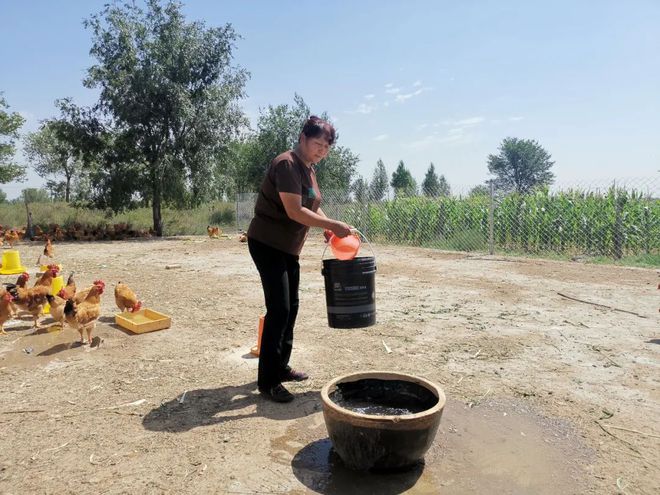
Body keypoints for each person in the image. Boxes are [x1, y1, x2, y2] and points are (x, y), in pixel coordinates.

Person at [247, 115, 352, 403]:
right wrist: (331, 224)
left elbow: (311, 211)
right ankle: (267, 382)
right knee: (279, 309)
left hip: (288, 248)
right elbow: (294, 211)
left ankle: (280, 367)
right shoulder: (287, 164)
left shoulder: (309, 170)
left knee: (291, 306)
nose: (321, 150)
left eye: (326, 147)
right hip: (267, 243)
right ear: (302, 138)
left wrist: (330, 229)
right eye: (317, 143)